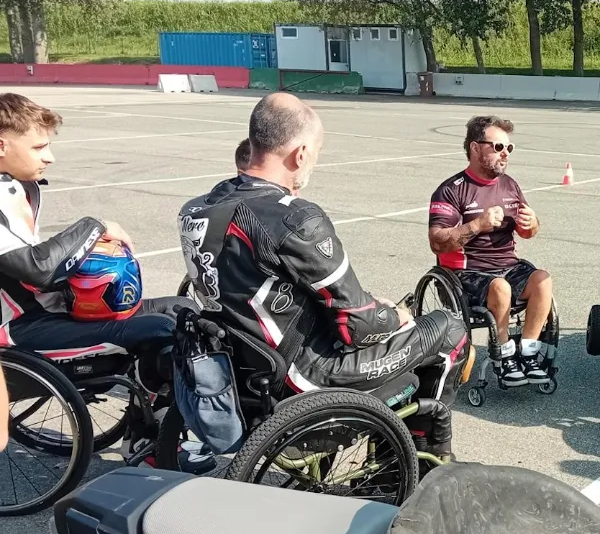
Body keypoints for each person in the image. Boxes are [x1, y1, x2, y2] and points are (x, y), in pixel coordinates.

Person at [178, 92, 471, 461]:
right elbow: (359, 326)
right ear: (299, 154)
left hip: (243, 374)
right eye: (316, 151)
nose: (313, 161)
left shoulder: (196, 208)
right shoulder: (295, 219)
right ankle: (419, 460)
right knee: (449, 329)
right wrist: (396, 315)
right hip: (306, 380)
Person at [0, 92, 196, 414]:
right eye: (38, 147)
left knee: (182, 310)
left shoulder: (22, 186)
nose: (50, 157)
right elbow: (40, 269)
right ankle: (151, 431)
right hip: (21, 328)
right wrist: (95, 225)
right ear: (2, 146)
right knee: (163, 331)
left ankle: (156, 416)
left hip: (51, 310)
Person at [428, 116, 552, 387]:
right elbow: (437, 241)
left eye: (509, 148)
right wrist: (477, 225)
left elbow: (527, 231)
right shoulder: (451, 191)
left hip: (507, 265)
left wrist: (532, 225)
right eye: (498, 147)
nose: (505, 154)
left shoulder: (510, 185)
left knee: (542, 280)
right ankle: (504, 354)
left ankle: (529, 352)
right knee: (501, 288)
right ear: (475, 148)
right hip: (466, 273)